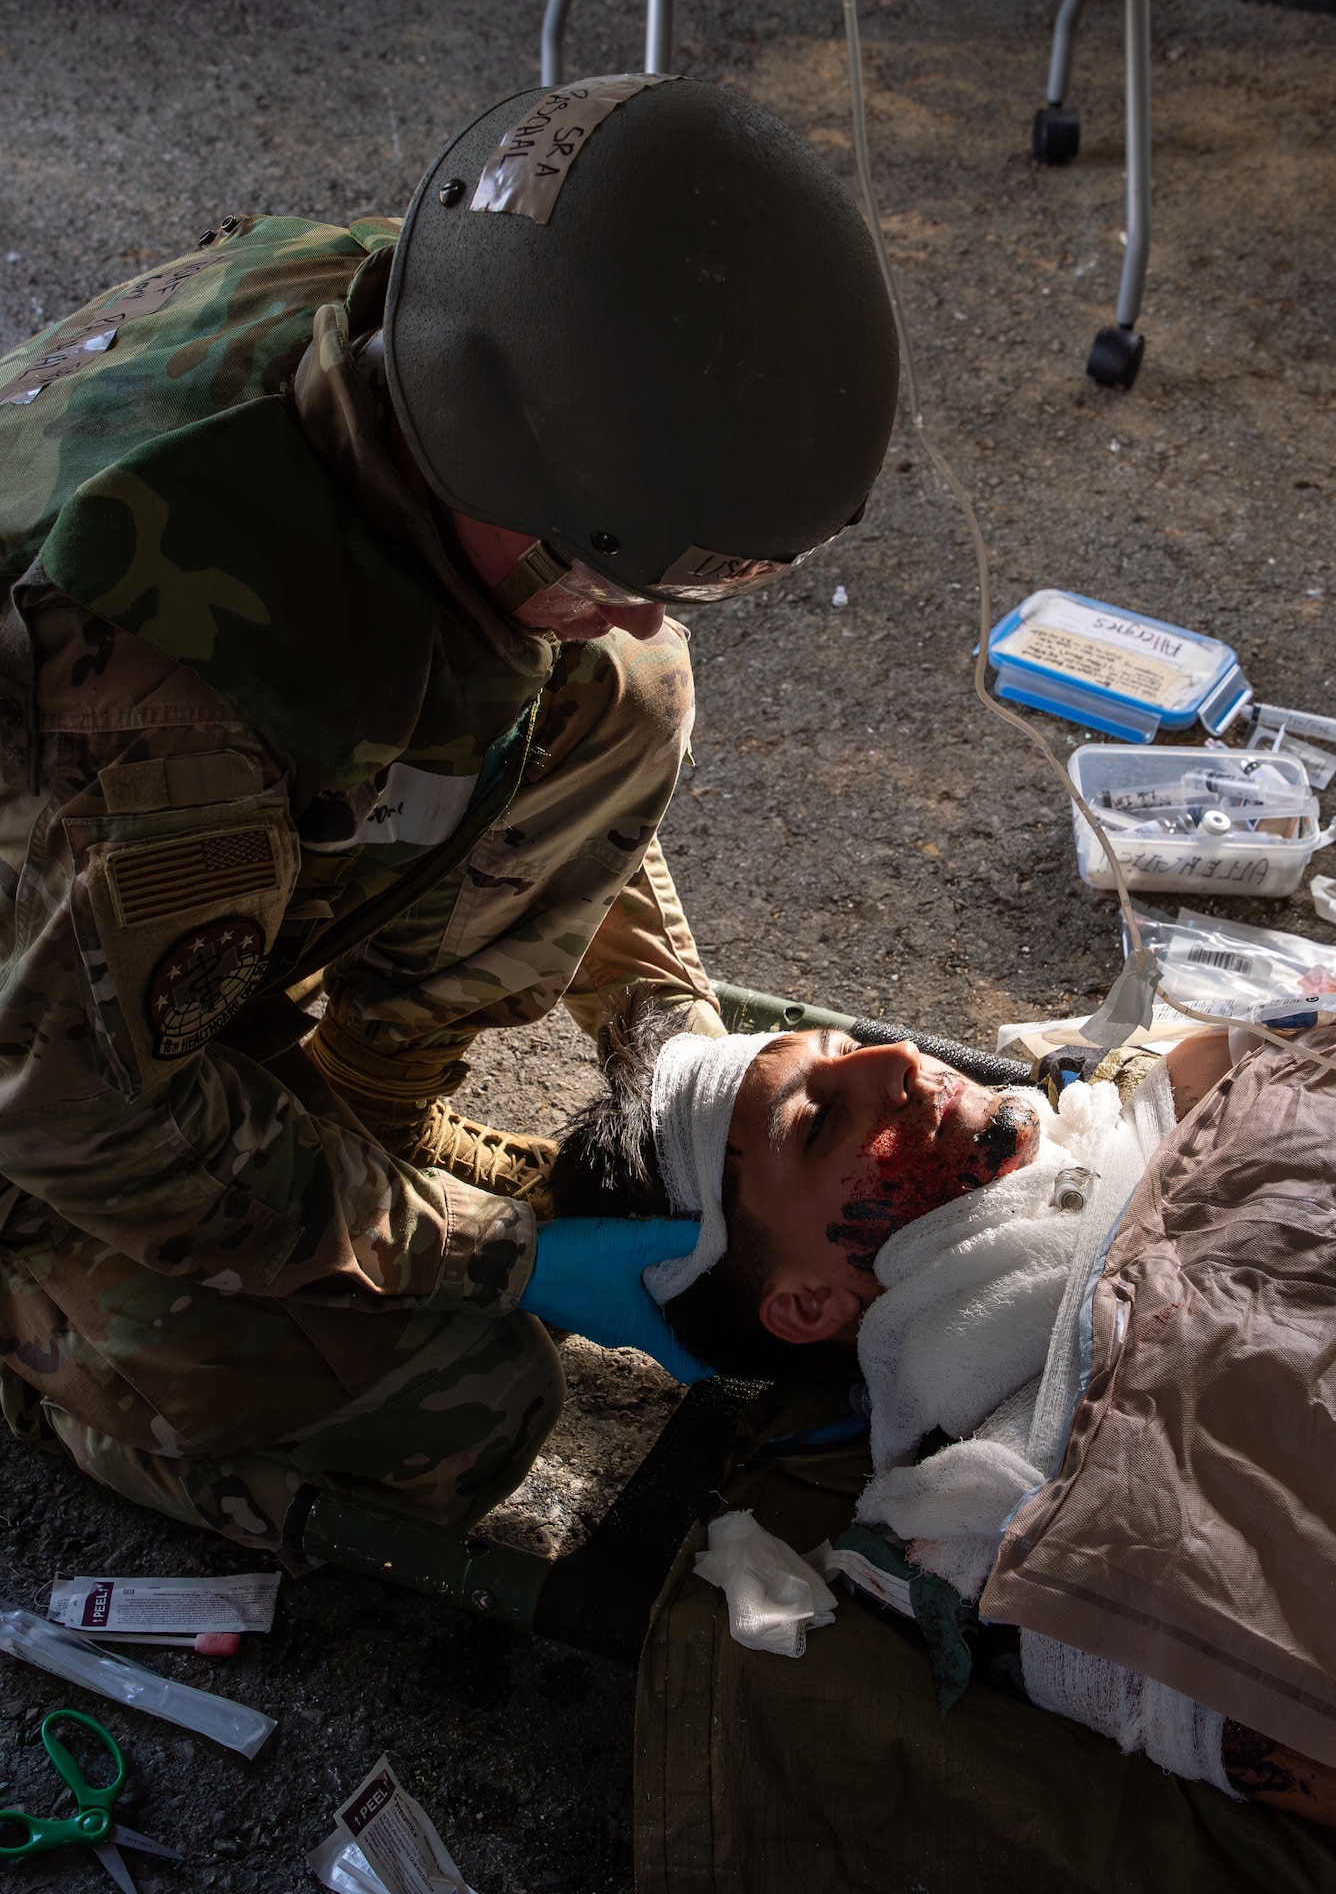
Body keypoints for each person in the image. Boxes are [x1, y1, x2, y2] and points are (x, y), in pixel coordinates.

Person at [0, 75, 899, 1553]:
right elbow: (80, 1114)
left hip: (78, 920)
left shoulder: (459, 330)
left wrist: (668, 1036)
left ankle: (349, 1123)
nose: (637, 602)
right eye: (631, 560)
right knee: (456, 1405)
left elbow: (543, 697)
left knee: (621, 688)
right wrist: (488, 1259)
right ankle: (42, 1359)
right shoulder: (176, 707)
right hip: (43, 1085)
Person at [553, 993, 1336, 1824]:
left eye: (844, 1044)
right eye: (820, 1123)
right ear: (810, 1304)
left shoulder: (1186, 1082)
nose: (890, 1057)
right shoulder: (1039, 1533)